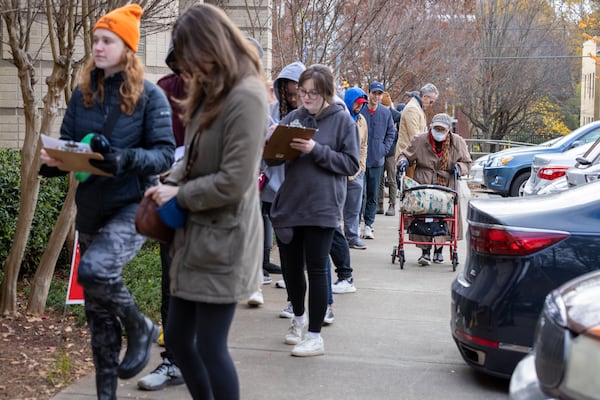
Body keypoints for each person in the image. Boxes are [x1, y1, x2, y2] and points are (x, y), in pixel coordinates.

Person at [38, 4, 175, 399]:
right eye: (96, 40)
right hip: (92, 210)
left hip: (132, 205)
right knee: (97, 316)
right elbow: (67, 148)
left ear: (127, 47)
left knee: (94, 270)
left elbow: (165, 154)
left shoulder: (150, 97)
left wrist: (124, 158)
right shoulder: (82, 96)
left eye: (106, 40)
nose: (97, 47)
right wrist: (53, 163)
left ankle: (141, 327)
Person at [144, 4, 267, 399]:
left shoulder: (246, 95)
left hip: (224, 240)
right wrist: (166, 182)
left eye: (188, 56)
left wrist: (180, 193)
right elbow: (192, 157)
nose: (185, 69)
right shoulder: (207, 92)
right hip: (193, 235)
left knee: (211, 347)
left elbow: (235, 181)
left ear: (209, 46)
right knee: (179, 340)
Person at [269, 64, 359, 357]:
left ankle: (315, 335)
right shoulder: (294, 117)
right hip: (292, 203)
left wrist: (314, 149)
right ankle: (298, 320)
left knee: (318, 268)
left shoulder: (342, 120)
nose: (305, 98)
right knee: (292, 269)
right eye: (301, 92)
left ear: (327, 93)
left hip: (322, 205)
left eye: (312, 93)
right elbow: (273, 162)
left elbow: (350, 164)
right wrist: (273, 142)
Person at [137, 43, 184, 392]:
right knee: (171, 278)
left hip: (212, 205)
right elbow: (148, 140)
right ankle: (173, 360)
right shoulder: (163, 90)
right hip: (170, 194)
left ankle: (198, 355)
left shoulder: (224, 93)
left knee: (205, 288)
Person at [253, 61, 306, 311]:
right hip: (273, 187)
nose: (293, 98)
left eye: (298, 92)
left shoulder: (311, 113)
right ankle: (291, 298)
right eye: (289, 93)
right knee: (285, 246)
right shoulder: (272, 111)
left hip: (300, 190)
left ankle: (299, 301)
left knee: (301, 249)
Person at [397, 113, 472, 265]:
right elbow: (404, 155)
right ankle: (425, 251)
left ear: (448, 130)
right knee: (424, 215)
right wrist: (403, 162)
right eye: (436, 128)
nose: (438, 132)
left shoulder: (457, 142)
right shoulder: (420, 140)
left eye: (442, 129)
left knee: (444, 216)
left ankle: (439, 250)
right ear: (431, 127)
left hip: (446, 185)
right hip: (424, 183)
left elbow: (467, 163)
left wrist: (459, 167)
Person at [360, 81, 396, 240]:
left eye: (379, 94)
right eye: (374, 93)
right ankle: (356, 223)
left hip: (377, 160)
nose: (376, 96)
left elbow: (391, 133)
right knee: (359, 194)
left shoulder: (385, 113)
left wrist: (383, 149)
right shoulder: (361, 110)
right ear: (369, 93)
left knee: (373, 194)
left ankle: (368, 225)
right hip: (360, 160)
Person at [342, 87, 368, 251]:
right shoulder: (342, 118)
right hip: (340, 168)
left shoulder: (362, 121)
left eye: (361, 104)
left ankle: (352, 236)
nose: (358, 107)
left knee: (354, 207)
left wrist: (361, 166)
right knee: (336, 207)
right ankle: (335, 238)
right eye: (357, 104)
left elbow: (363, 145)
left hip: (357, 171)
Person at [395, 83, 439, 171]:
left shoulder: (417, 108)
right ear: (425, 97)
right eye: (431, 102)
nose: (431, 105)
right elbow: (415, 137)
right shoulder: (412, 109)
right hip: (408, 159)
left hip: (412, 157)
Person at [377, 91, 401, 217]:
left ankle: (392, 204)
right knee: (379, 179)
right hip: (380, 150)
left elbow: (399, 132)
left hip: (391, 151)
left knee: (391, 179)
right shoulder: (378, 113)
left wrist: (393, 140)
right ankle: (380, 204)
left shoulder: (396, 116)